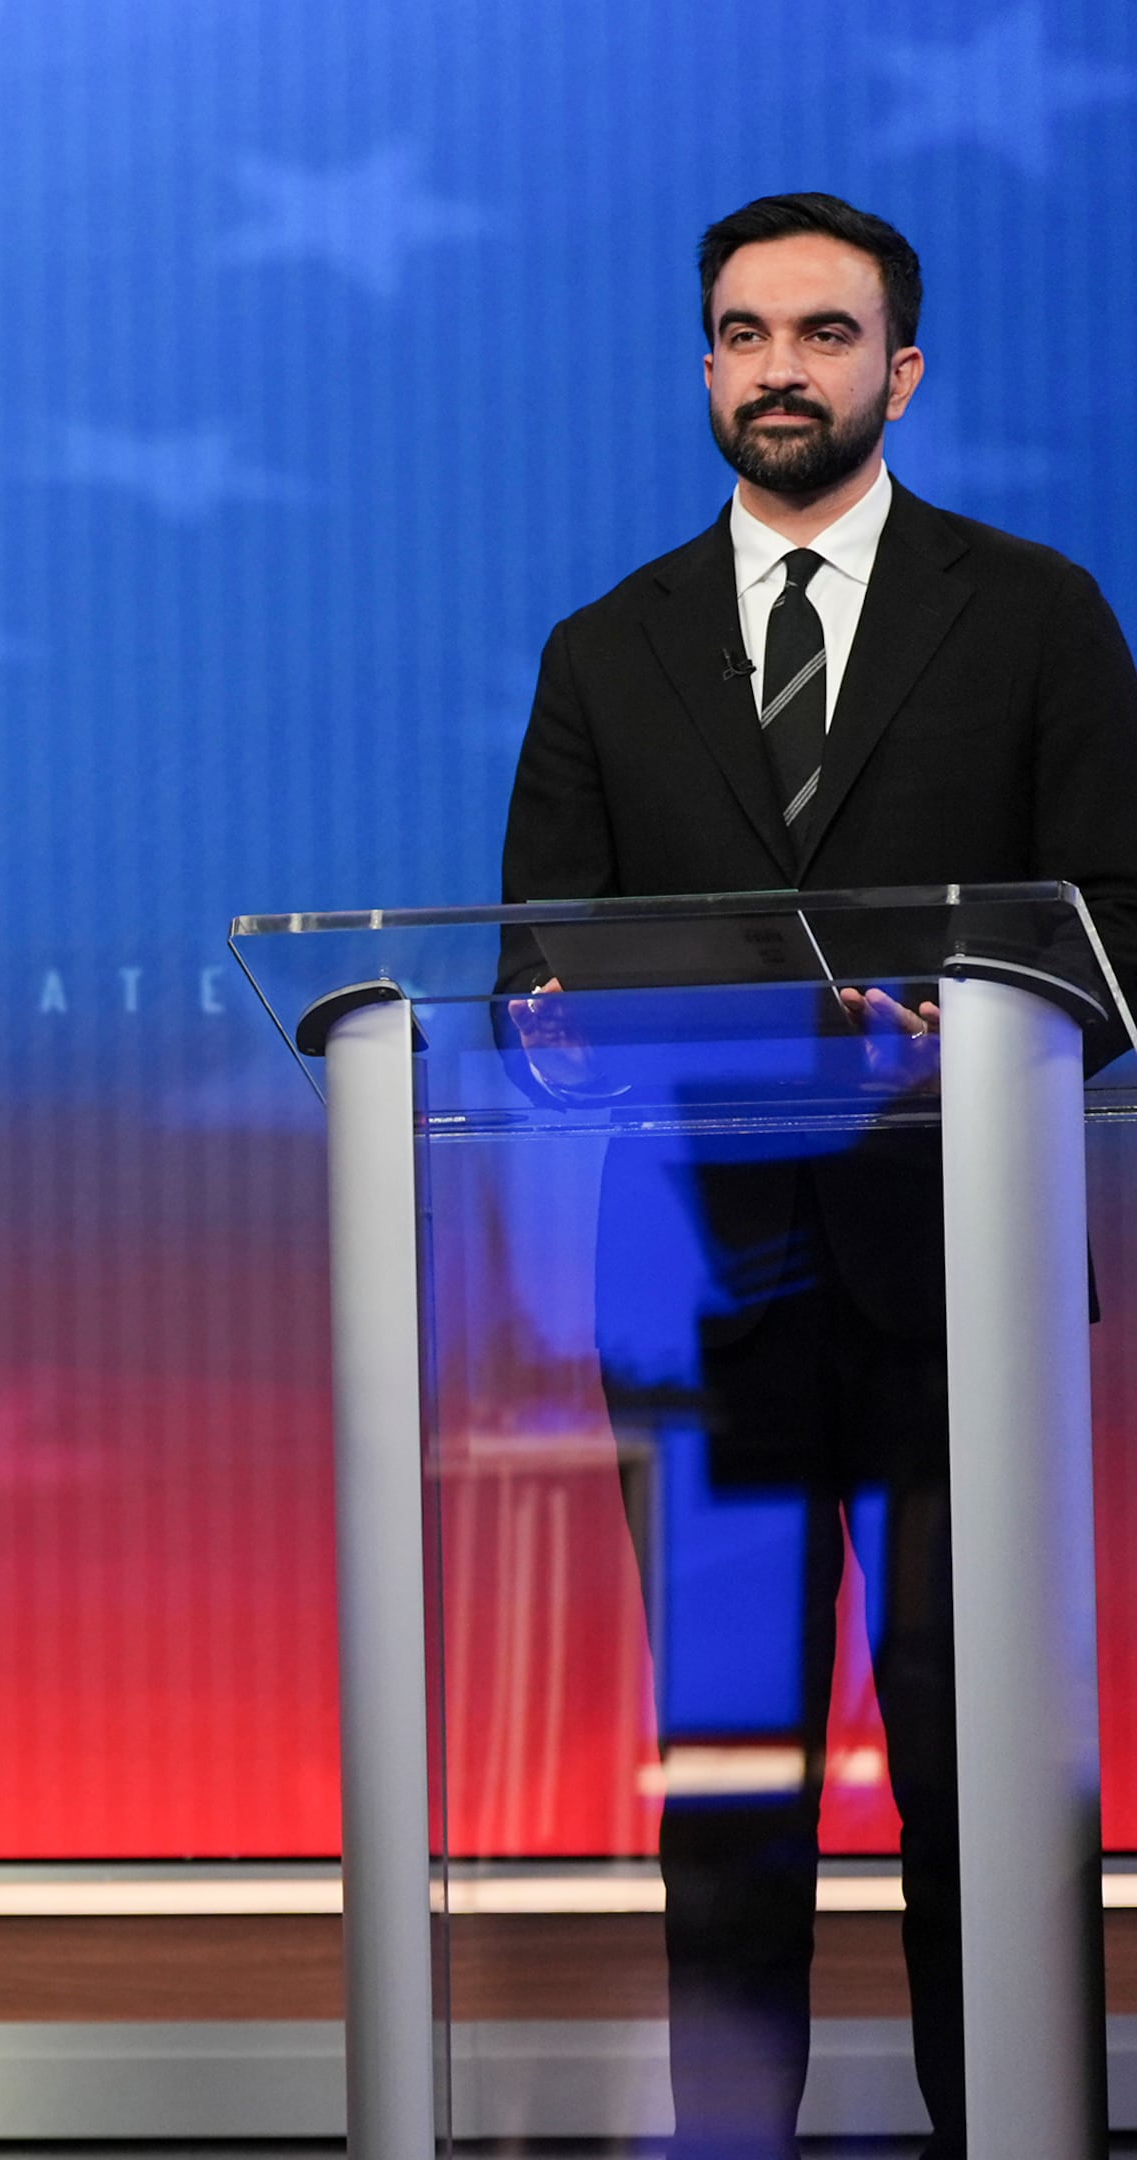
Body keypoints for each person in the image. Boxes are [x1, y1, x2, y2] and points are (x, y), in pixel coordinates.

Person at [501, 192, 1136, 2157]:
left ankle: (1014, 2130)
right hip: (694, 1292)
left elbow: (1116, 932)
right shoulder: (609, 648)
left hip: (961, 1272)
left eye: (825, 335)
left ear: (902, 370)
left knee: (982, 1764)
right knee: (731, 1778)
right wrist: (560, 1024)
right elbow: (535, 964)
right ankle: (728, 2139)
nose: (782, 368)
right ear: (705, 366)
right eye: (745, 334)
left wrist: (962, 1024)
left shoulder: (1030, 611)